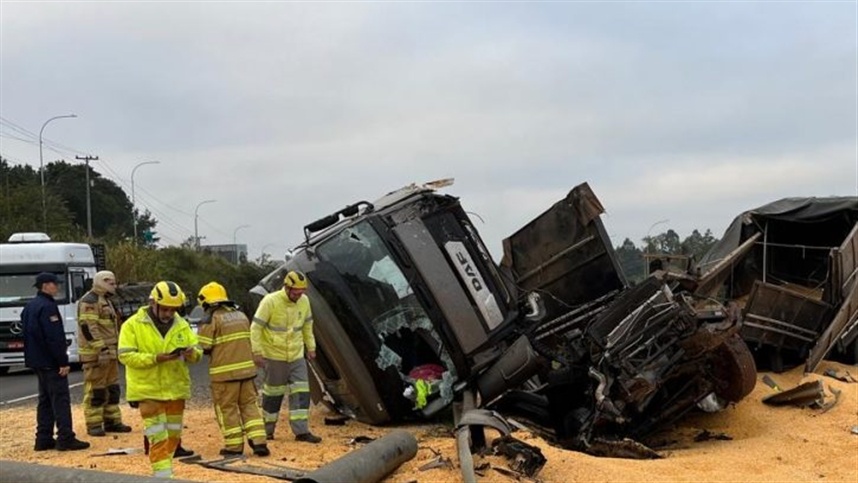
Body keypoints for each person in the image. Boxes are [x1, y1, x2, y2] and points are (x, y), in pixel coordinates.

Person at [118, 281, 202, 478]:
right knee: (158, 438)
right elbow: (125, 356)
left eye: (173, 310)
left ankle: (165, 473)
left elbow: (197, 351)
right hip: (148, 391)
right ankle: (163, 478)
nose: (168, 314)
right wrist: (156, 358)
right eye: (164, 309)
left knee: (173, 438)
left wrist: (192, 354)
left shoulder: (181, 324)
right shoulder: (132, 325)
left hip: (175, 390)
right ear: (152, 303)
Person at [196, 282, 269, 456]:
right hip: (247, 373)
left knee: (227, 409)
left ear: (206, 302)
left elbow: (204, 347)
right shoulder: (241, 315)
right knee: (250, 406)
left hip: (224, 375)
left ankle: (234, 446)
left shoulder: (210, 318)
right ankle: (259, 442)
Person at [22, 272, 90, 451]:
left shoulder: (30, 306)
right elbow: (54, 337)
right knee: (60, 399)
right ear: (45, 285)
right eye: (55, 284)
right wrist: (62, 361)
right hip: (51, 362)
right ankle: (65, 437)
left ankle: (43, 438)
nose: (57, 287)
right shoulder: (48, 307)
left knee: (44, 400)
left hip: (36, 361)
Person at [251, 270, 321, 443]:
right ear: (287, 287)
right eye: (296, 292)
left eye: (302, 292)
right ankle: (267, 430)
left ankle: (301, 431)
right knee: (273, 395)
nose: (299, 295)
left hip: (296, 355)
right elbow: (256, 328)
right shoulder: (270, 301)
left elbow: (307, 326)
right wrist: (257, 352)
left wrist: (311, 347)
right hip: (275, 356)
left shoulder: (304, 302)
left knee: (302, 392)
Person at [76, 270, 132, 436]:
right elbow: (88, 327)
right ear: (102, 282)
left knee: (112, 388)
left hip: (110, 352)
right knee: (96, 390)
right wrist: (101, 349)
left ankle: (112, 421)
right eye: (111, 283)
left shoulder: (105, 300)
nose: (114, 286)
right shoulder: (90, 301)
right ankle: (94, 424)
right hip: (96, 355)